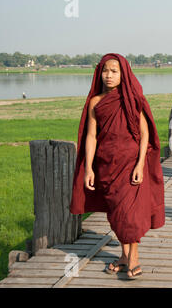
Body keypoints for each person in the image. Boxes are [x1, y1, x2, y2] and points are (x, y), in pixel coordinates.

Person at [70, 53, 165, 279]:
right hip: (106, 164)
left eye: (114, 71)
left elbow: (144, 134)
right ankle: (124, 256)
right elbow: (91, 136)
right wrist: (90, 168)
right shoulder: (96, 102)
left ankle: (134, 258)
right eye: (105, 71)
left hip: (130, 162)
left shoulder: (133, 99)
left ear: (124, 74)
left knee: (130, 214)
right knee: (116, 214)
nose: (108, 76)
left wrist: (140, 164)